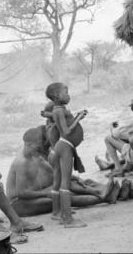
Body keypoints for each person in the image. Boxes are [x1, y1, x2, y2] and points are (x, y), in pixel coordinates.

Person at [6, 127, 133, 217]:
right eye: (38, 145)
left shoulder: (35, 155)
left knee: (66, 185)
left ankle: (106, 192)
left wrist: (72, 178)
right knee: (64, 198)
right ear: (28, 144)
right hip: (19, 204)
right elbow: (21, 193)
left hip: (34, 194)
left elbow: (56, 172)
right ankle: (106, 197)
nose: (41, 148)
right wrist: (45, 194)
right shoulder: (22, 162)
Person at [49, 82, 89, 227]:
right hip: (65, 146)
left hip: (64, 145)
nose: (68, 95)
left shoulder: (59, 109)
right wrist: (78, 118)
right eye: (65, 92)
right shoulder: (58, 111)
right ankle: (67, 220)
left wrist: (77, 117)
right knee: (65, 183)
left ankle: (61, 214)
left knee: (60, 181)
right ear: (57, 95)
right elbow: (66, 131)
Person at [96, 97, 133, 177]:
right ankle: (120, 165)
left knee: (108, 138)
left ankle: (118, 168)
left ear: (132, 109)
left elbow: (116, 134)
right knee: (129, 139)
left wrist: (112, 128)